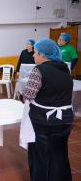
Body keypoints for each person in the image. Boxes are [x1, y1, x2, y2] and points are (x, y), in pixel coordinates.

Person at [22, 38, 73, 181]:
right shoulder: (65, 68)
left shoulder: (38, 70)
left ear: (44, 55)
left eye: (36, 52)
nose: (33, 55)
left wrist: (22, 95)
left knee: (40, 156)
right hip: (65, 120)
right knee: (60, 154)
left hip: (44, 121)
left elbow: (28, 95)